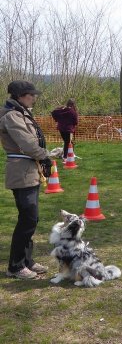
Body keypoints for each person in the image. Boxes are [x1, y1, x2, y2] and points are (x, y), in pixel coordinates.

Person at [0, 80, 52, 279]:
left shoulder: (21, 112)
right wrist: (44, 155)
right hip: (21, 171)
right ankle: (15, 266)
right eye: (31, 94)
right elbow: (27, 143)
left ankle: (26, 261)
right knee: (27, 218)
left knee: (32, 218)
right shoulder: (13, 116)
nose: (34, 97)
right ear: (20, 96)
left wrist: (42, 156)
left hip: (29, 169)